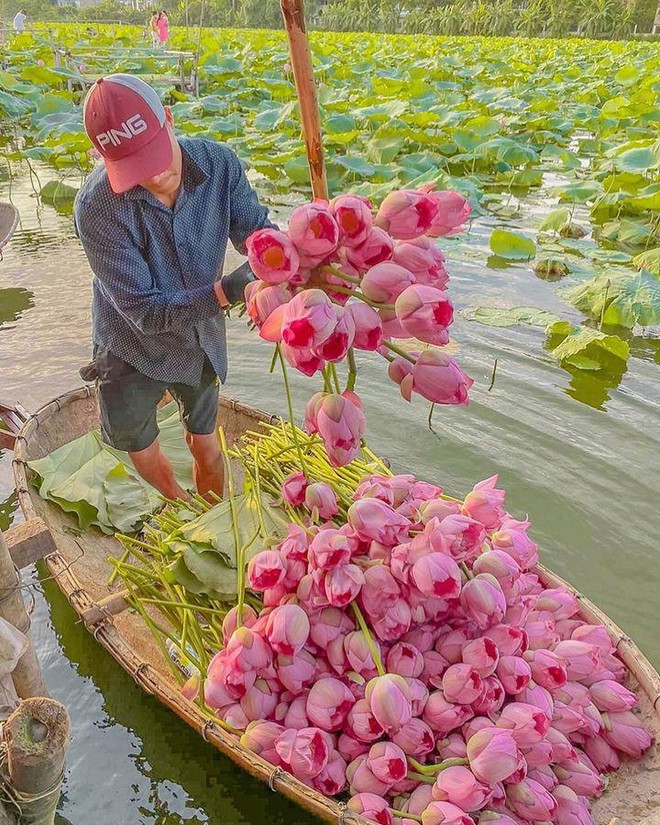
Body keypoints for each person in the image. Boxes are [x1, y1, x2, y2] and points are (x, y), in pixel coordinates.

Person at [74, 74, 273, 501]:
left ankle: (211, 508)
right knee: (139, 445)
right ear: (105, 158)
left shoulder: (219, 165)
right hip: (130, 343)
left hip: (197, 337)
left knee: (207, 444)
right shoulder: (96, 207)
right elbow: (144, 312)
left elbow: (258, 236)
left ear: (169, 119)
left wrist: (293, 255)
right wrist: (225, 292)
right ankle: (176, 501)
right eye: (135, 169)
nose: (154, 176)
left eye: (156, 157)